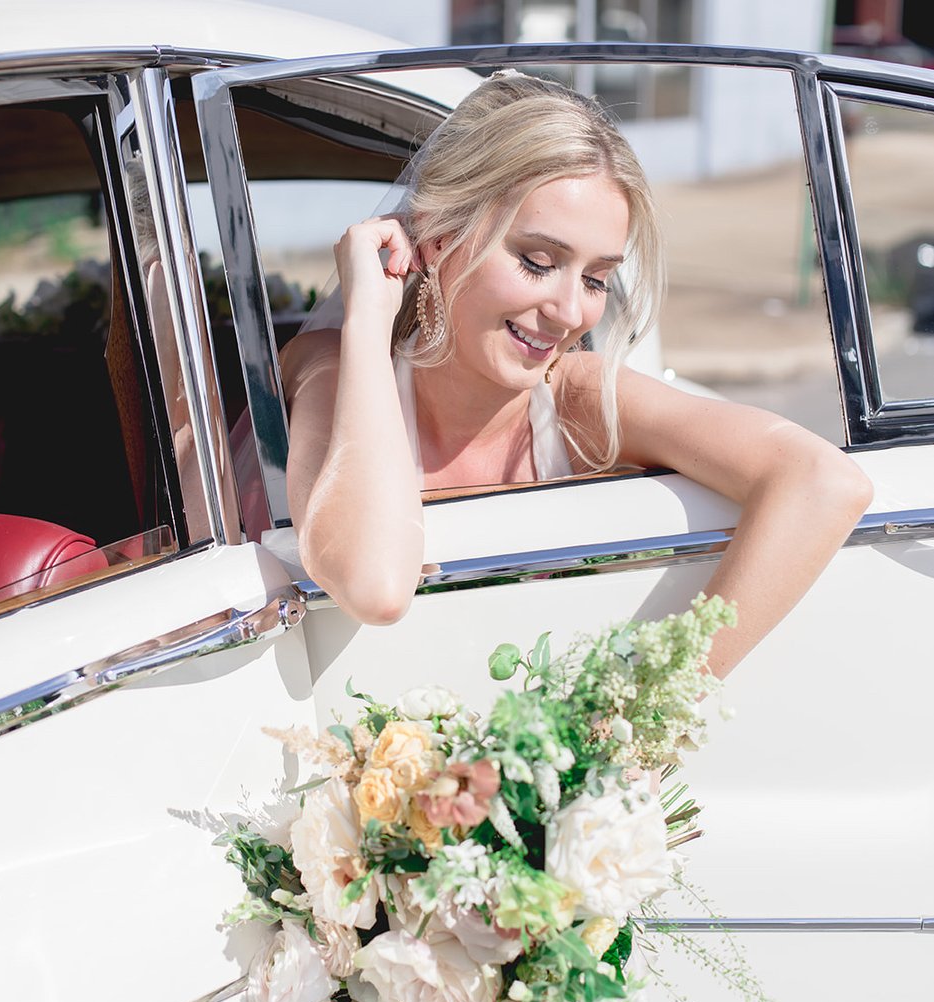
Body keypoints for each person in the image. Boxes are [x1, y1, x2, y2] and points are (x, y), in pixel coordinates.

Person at [280, 72, 872, 678]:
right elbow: (376, 587)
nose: (570, 313)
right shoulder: (328, 369)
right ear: (435, 239)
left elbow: (823, 480)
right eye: (538, 262)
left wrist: (646, 710)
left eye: (596, 280)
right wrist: (367, 319)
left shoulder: (582, 398)